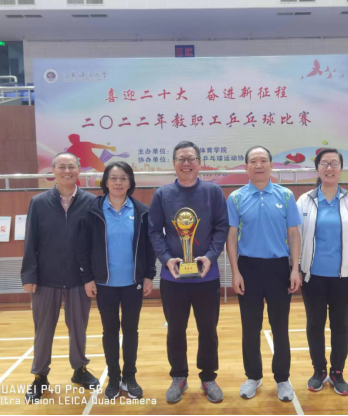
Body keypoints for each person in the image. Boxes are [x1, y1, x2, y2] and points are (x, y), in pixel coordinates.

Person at [148, 141, 229, 404]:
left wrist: (211, 256)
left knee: (208, 330)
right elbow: (154, 231)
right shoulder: (162, 194)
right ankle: (178, 377)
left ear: (199, 162)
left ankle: (208, 377)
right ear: (173, 163)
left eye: (191, 158)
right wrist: (166, 259)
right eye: (181, 159)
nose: (186, 163)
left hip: (207, 276)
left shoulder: (213, 191)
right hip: (173, 278)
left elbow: (221, 227)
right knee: (175, 330)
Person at [21, 152, 99, 403]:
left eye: (71, 166)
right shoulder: (38, 202)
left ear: (79, 170)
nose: (67, 171)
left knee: (78, 328)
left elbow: (96, 244)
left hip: (79, 278)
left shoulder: (92, 201)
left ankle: (80, 369)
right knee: (43, 329)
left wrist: (93, 277)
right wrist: (29, 275)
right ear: (53, 171)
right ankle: (40, 376)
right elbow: (31, 240)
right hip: (46, 278)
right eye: (62, 167)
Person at [226, 146, 302, 402]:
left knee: (280, 327)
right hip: (248, 268)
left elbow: (293, 233)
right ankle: (253, 376)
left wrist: (294, 268)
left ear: (271, 165)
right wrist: (235, 272)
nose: (258, 165)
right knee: (250, 327)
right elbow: (232, 236)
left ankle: (282, 379)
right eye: (253, 161)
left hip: (278, 268)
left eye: (263, 161)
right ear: (246, 166)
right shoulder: (236, 197)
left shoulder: (286, 195)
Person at [77, 162, 157, 400]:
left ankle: (129, 376)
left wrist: (149, 275)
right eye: (113, 178)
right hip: (104, 284)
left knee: (131, 331)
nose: (118, 182)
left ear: (130, 182)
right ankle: (113, 377)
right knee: (110, 331)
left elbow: (149, 247)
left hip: (133, 283)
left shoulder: (142, 211)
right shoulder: (92, 211)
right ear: (105, 182)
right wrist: (87, 279)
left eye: (123, 178)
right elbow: (83, 248)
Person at [297, 148, 348, 396]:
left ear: (341, 168)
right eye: (324, 163)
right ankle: (319, 370)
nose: (329, 168)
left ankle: (337, 372)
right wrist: (296, 269)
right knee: (314, 325)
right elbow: (296, 238)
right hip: (312, 277)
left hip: (344, 278)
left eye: (334, 163)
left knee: (340, 326)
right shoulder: (304, 201)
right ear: (317, 168)